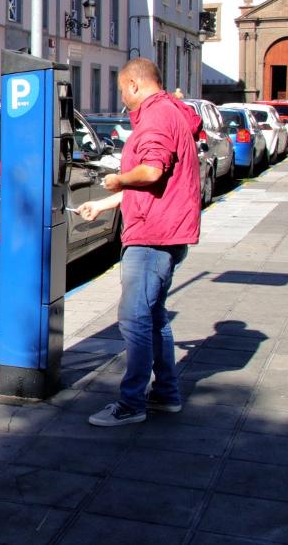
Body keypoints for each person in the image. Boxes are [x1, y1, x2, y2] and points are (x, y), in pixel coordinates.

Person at [77, 58, 202, 426]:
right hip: (168, 228)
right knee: (154, 316)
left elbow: (151, 171)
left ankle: (131, 403)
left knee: (133, 318)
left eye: (121, 91)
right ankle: (166, 393)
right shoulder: (173, 111)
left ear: (133, 84)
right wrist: (104, 204)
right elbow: (157, 181)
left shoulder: (156, 117)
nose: (123, 99)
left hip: (153, 235)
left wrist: (116, 180)